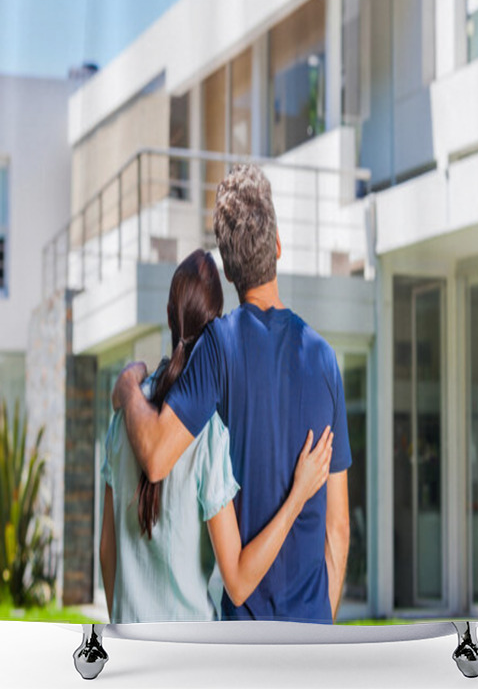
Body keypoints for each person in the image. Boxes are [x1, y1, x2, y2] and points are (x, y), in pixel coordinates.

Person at [113, 165, 351, 623]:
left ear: (226, 268)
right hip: (315, 636)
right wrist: (322, 628)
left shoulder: (218, 347)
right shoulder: (324, 359)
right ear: (278, 248)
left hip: (245, 641)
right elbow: (337, 528)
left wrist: (127, 387)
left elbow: (157, 457)